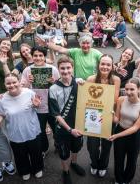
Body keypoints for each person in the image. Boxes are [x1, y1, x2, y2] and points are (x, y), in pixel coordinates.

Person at [0, 73, 44, 181]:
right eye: (8, 83)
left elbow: (37, 105)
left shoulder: (29, 93)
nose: (12, 85)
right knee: (20, 155)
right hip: (15, 133)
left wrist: (37, 105)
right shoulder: (2, 100)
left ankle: (37, 169)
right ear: (5, 85)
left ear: (19, 82)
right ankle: (24, 170)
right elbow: (1, 114)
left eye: (14, 82)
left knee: (36, 152)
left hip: (32, 130)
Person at [49, 56, 86, 184]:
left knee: (76, 148)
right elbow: (56, 115)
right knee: (64, 153)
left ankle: (74, 164)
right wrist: (70, 130)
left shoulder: (80, 84)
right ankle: (66, 171)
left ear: (72, 68)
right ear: (58, 69)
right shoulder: (53, 89)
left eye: (68, 68)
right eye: (62, 68)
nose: (65, 71)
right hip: (63, 128)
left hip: (78, 125)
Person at [21, 46, 60, 157]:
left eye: (40, 55)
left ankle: (58, 145)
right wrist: (28, 82)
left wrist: (54, 83)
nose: (38, 58)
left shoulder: (53, 69)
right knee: (41, 130)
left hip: (52, 106)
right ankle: (45, 148)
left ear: (44, 56)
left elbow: (60, 88)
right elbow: (23, 89)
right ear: (32, 57)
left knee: (56, 129)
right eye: (35, 56)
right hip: (37, 107)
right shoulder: (27, 70)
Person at [108, 78, 140, 184]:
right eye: (126, 89)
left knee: (132, 161)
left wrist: (116, 135)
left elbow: (135, 128)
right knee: (118, 158)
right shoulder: (121, 99)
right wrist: (109, 114)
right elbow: (117, 119)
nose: (129, 92)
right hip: (120, 129)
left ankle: (126, 180)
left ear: (139, 90)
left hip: (133, 136)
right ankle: (119, 180)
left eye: (132, 89)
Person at [86, 54, 121, 177]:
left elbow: (115, 99)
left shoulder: (116, 80)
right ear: (98, 65)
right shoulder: (90, 79)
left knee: (106, 144)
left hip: (108, 116)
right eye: (103, 64)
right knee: (92, 145)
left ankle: (103, 165)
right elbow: (86, 98)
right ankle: (94, 163)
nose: (105, 67)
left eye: (108, 64)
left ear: (112, 66)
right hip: (92, 116)